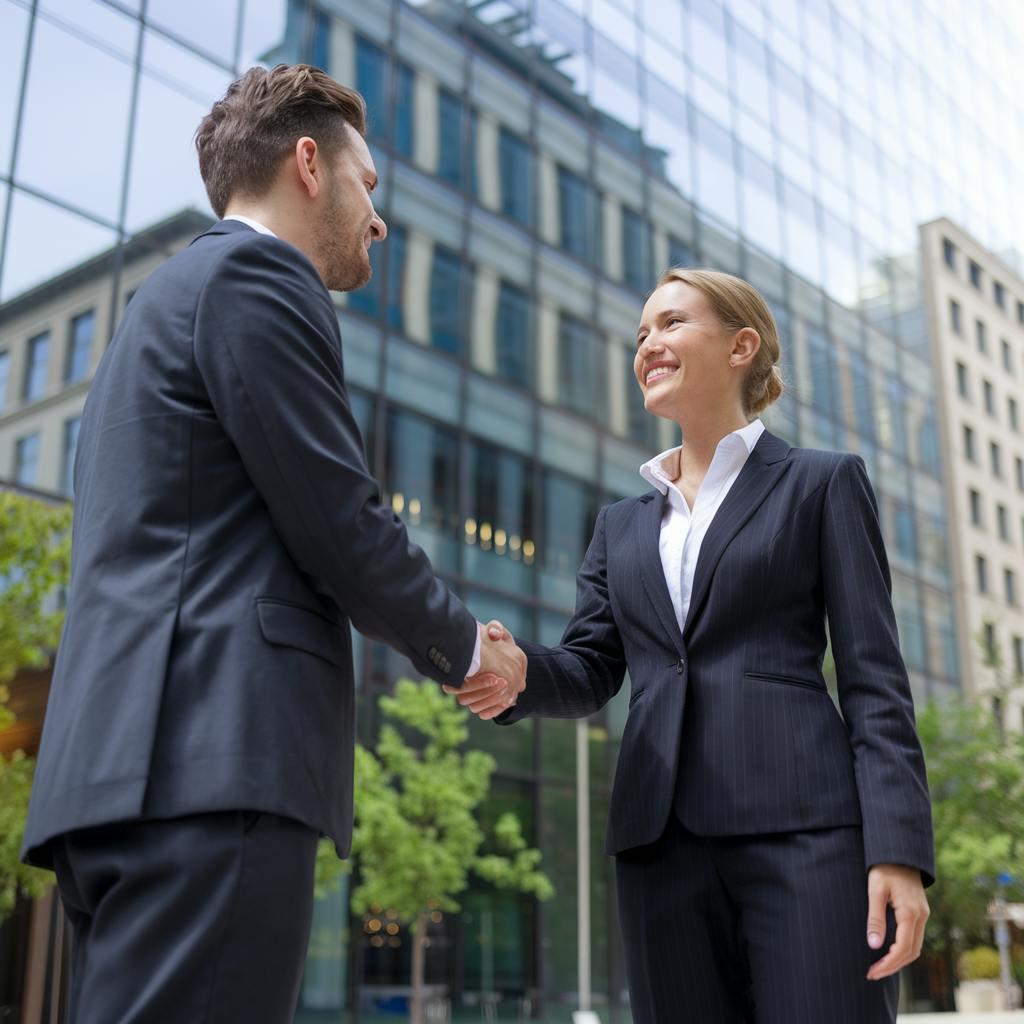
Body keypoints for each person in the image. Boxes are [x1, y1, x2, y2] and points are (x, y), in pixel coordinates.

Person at [22, 64, 524, 1024]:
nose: (377, 219)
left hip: (121, 779)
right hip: (214, 766)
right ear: (308, 163)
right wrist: (471, 652)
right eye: (367, 186)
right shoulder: (257, 275)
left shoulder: (157, 309)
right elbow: (338, 515)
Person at [449, 268, 933, 1023]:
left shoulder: (822, 484)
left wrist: (897, 851)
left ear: (743, 345)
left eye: (671, 324)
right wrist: (516, 672)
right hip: (660, 841)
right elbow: (590, 667)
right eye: (641, 334)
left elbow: (875, 679)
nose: (649, 344)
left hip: (804, 835)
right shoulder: (623, 524)